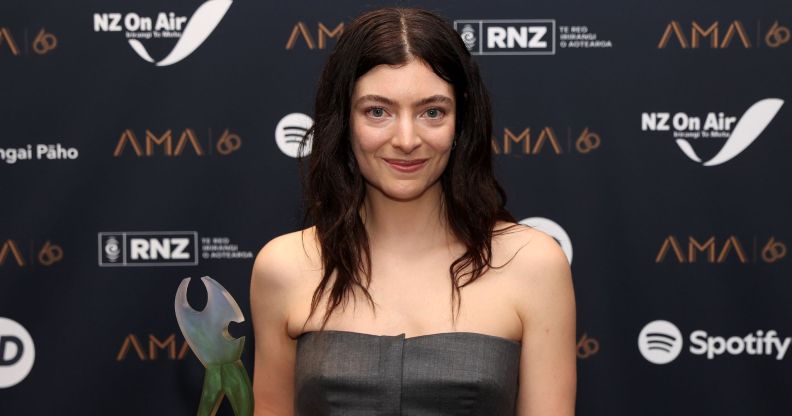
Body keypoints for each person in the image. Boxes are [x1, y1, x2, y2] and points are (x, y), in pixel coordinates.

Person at [250, 7, 575, 416]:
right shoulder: (284, 267)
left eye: (432, 112)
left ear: (462, 122)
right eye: (377, 111)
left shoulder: (532, 264)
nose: (406, 139)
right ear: (344, 121)